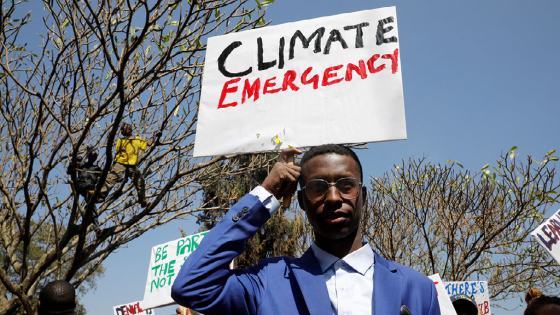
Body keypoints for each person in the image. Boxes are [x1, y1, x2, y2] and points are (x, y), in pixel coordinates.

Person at [171, 144, 440, 315]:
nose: (333, 198)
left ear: (363, 196)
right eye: (318, 187)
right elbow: (192, 286)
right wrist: (264, 196)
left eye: (346, 185)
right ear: (301, 202)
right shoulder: (269, 281)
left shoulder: (418, 290)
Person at [99, 123, 161, 208]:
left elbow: (148, 144)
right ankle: (100, 195)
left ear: (129, 130)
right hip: (121, 162)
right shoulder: (121, 140)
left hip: (132, 165)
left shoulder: (137, 140)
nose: (121, 131)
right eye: (121, 129)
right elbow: (118, 153)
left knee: (140, 181)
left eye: (123, 129)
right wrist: (113, 165)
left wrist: (155, 136)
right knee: (111, 178)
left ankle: (143, 201)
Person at [68, 146, 102, 232]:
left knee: (92, 204)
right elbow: (69, 171)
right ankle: (97, 227)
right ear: (88, 156)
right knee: (90, 189)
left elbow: (105, 176)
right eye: (91, 155)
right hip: (81, 186)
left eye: (95, 156)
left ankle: (96, 228)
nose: (93, 158)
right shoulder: (81, 164)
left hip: (90, 190)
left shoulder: (96, 169)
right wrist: (74, 161)